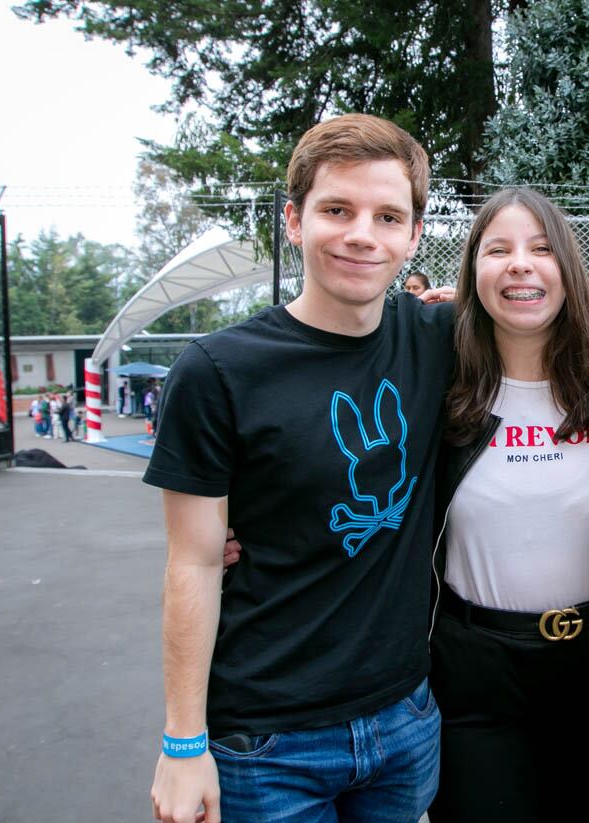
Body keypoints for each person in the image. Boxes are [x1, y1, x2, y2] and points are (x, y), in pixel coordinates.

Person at [144, 113, 452, 823]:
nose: (361, 234)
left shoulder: (438, 337)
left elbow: (568, 326)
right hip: (267, 739)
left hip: (405, 717)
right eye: (336, 209)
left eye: (387, 215)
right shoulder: (218, 370)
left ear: (412, 235)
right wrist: (182, 742)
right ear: (293, 219)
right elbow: (191, 562)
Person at [426, 188, 589, 822]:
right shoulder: (436, 383)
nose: (521, 263)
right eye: (499, 250)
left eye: (541, 249)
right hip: (472, 667)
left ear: (568, 272)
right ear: (474, 274)